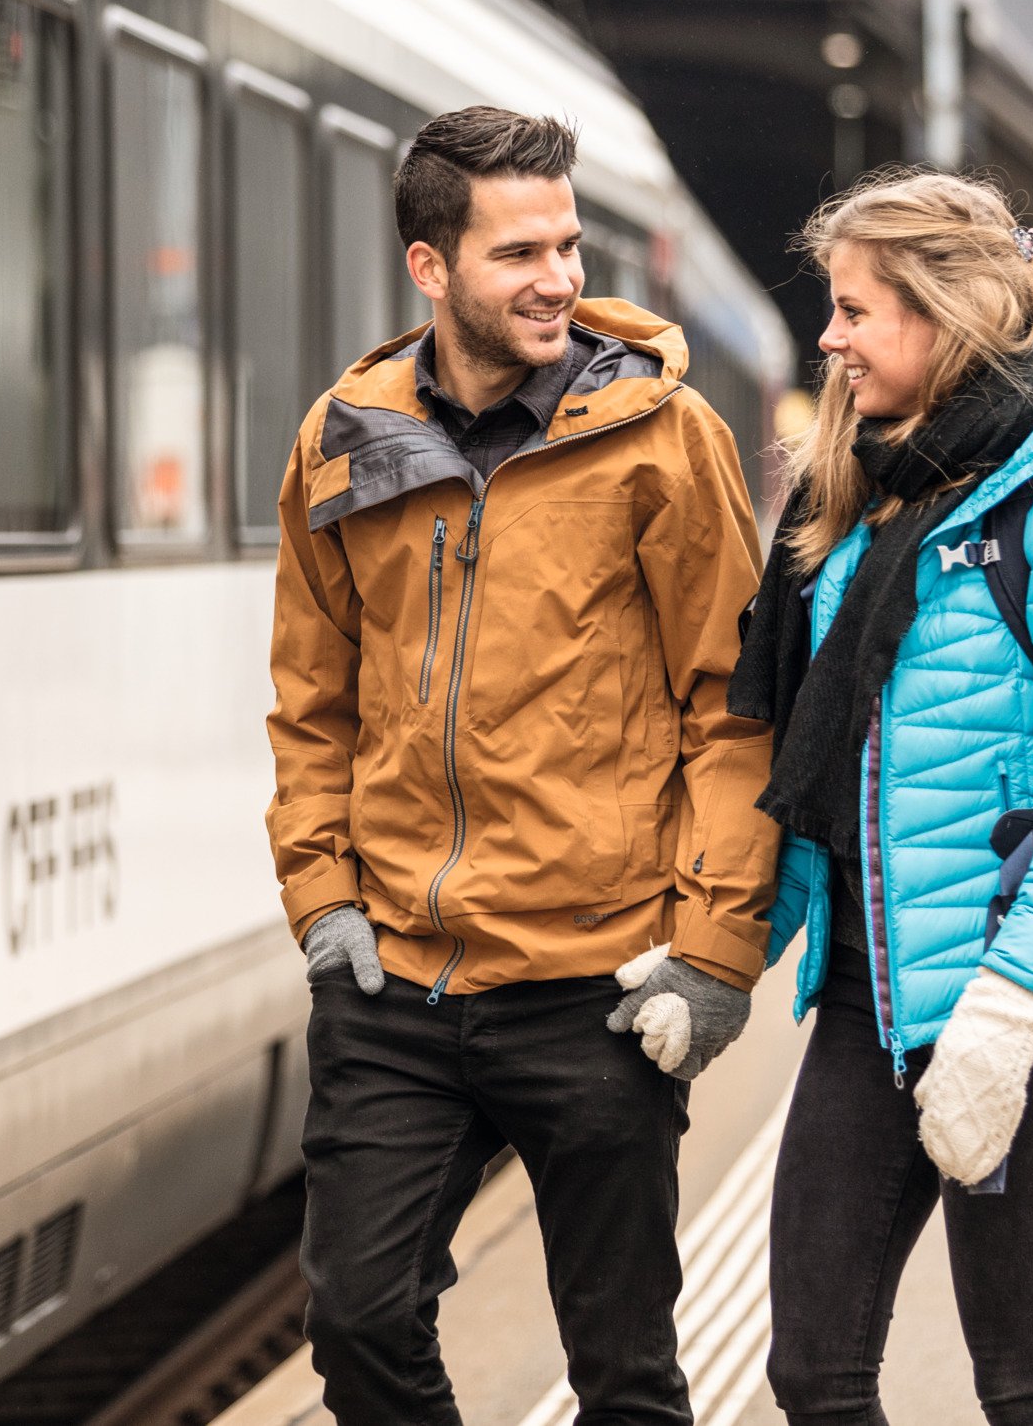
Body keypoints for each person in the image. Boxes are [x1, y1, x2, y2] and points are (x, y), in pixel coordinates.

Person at [264, 105, 778, 1426]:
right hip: (398, 977)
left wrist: (715, 949)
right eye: (518, 252)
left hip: (594, 980)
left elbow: (732, 702)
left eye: (569, 241)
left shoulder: (666, 442)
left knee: (626, 1372)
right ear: (432, 268)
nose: (559, 275)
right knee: (359, 1319)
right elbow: (313, 697)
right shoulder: (344, 442)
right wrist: (321, 894)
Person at [734, 170, 1033, 1426]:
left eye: (855, 309)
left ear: (943, 314)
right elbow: (832, 772)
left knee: (1027, 1386)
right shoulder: (874, 503)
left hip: (1024, 1010)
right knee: (814, 1373)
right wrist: (723, 963)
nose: (828, 338)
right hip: (872, 1003)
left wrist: (1011, 1003)